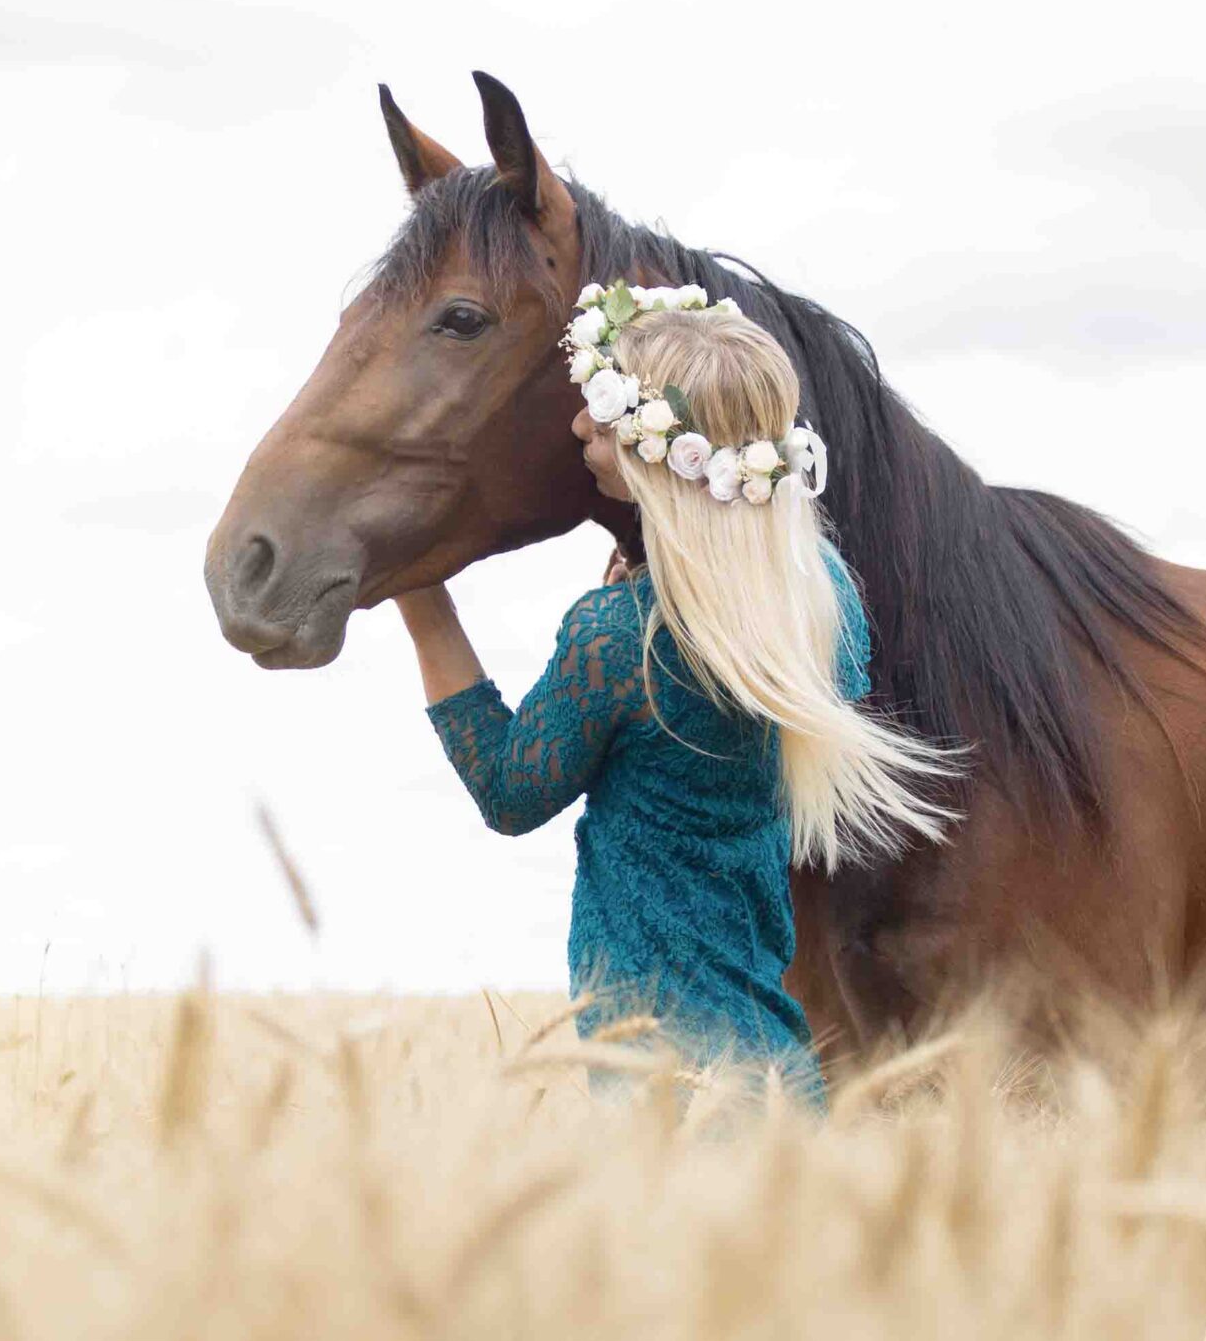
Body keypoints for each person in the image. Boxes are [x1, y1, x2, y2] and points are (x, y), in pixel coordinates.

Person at [390, 284, 956, 1105]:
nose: (580, 424)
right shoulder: (820, 603)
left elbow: (510, 792)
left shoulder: (620, 640)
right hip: (771, 1067)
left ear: (661, 456)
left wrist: (423, 603)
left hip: (663, 1082)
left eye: (605, 414)